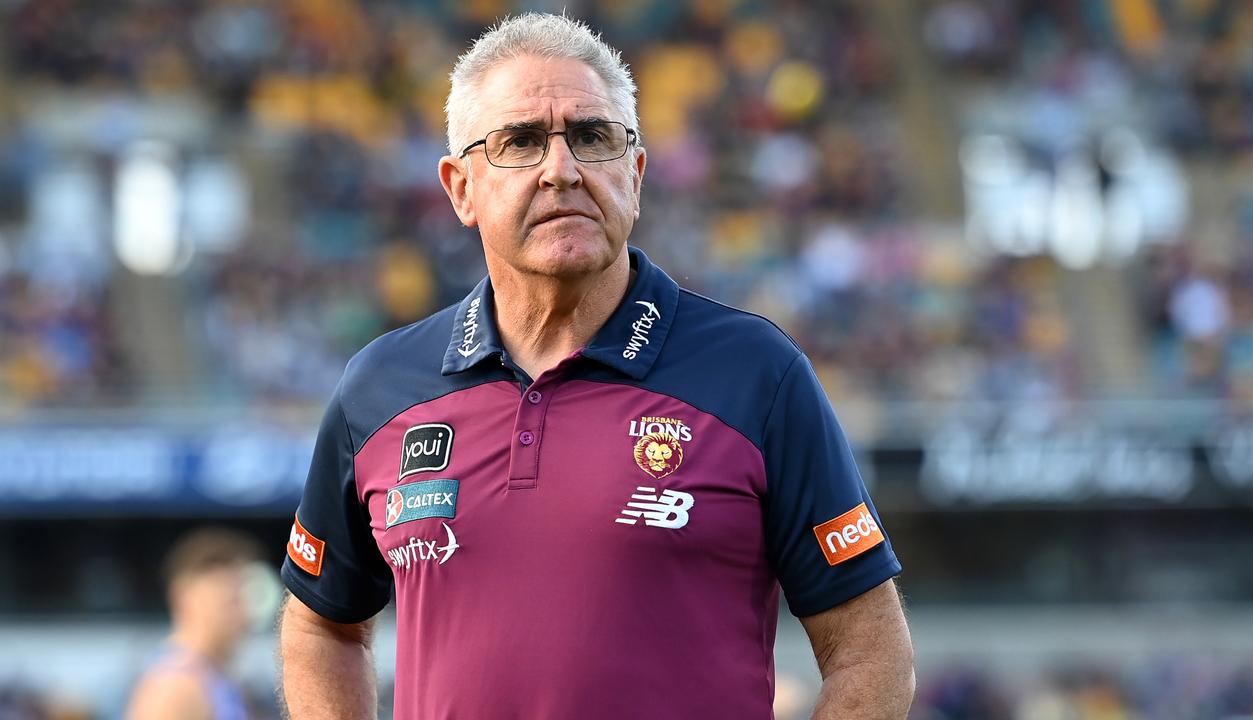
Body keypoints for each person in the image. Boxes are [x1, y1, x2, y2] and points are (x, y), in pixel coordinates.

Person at [279, 12, 914, 719]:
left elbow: (868, 645)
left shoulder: (756, 373)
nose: (561, 170)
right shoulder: (379, 387)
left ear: (635, 175)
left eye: (591, 136)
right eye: (520, 141)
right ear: (460, 188)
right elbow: (321, 624)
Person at [127, 527, 260, 720]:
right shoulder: (175, 688)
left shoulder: (214, 677)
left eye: (242, 599)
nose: (242, 615)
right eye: (228, 602)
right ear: (182, 598)